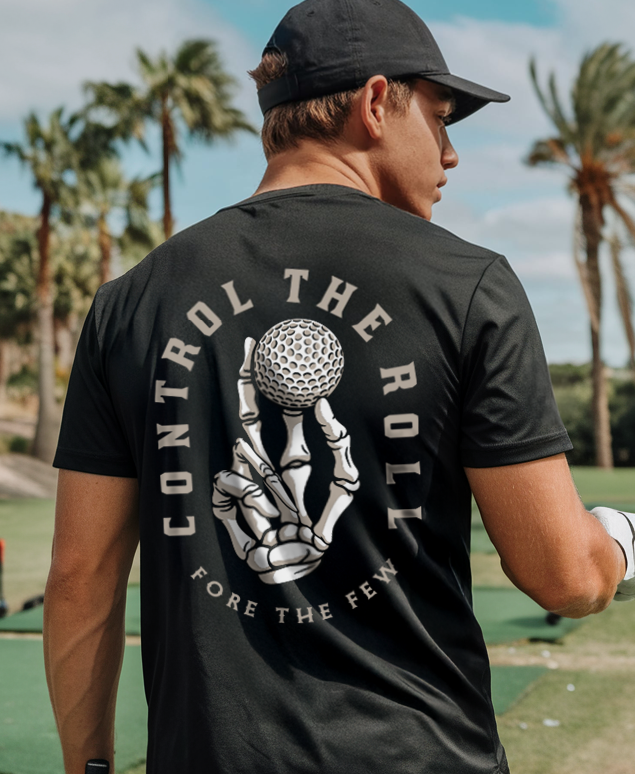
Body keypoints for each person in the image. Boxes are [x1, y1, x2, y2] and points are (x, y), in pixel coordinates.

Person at [43, 1, 634, 772]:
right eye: (442, 117)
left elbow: (79, 576)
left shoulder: (132, 300)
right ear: (376, 103)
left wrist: (88, 767)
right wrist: (619, 538)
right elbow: (565, 576)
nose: (450, 154)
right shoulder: (466, 284)